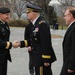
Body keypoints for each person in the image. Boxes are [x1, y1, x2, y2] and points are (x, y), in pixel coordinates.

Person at [20, 3, 57, 75]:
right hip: (37, 57)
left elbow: (46, 43)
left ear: (34, 13)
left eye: (28, 12)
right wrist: (20, 43)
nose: (27, 14)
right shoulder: (34, 24)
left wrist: (46, 59)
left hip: (42, 59)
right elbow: (33, 40)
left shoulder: (42, 24)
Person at [0, 7, 20, 75]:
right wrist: (11, 44)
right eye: (6, 15)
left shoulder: (5, 24)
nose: (8, 16)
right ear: (0, 15)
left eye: (9, 14)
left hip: (3, 56)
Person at [60, 7, 75, 75]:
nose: (64, 18)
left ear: (71, 15)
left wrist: (71, 66)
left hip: (70, 64)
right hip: (67, 62)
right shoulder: (72, 27)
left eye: (65, 15)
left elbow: (74, 48)